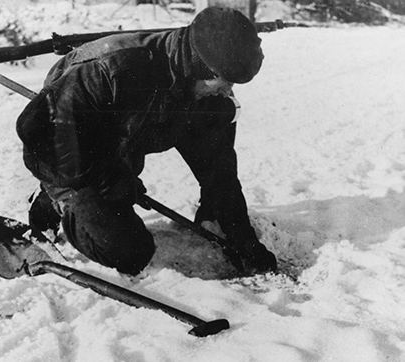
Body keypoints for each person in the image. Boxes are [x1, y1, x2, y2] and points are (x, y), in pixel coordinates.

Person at [16, 7, 277, 276]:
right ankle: (53, 199)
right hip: (70, 143)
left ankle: (109, 177)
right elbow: (38, 136)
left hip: (131, 128)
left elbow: (221, 174)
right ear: (203, 67)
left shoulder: (205, 96)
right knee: (129, 250)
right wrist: (107, 178)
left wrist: (244, 240)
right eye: (225, 82)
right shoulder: (115, 70)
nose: (227, 91)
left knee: (208, 125)